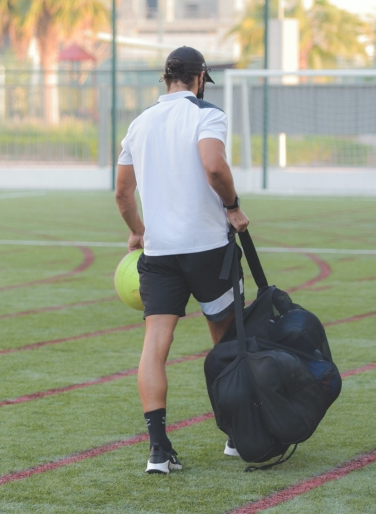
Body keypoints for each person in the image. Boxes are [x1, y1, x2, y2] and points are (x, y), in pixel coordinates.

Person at [114, 46, 250, 474]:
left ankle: (158, 450)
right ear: (199, 77)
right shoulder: (207, 114)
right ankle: (236, 434)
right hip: (209, 247)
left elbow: (121, 192)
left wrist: (137, 230)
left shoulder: (139, 124)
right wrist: (232, 205)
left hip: (159, 254)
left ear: (165, 78)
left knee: (155, 348)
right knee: (227, 343)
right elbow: (214, 166)